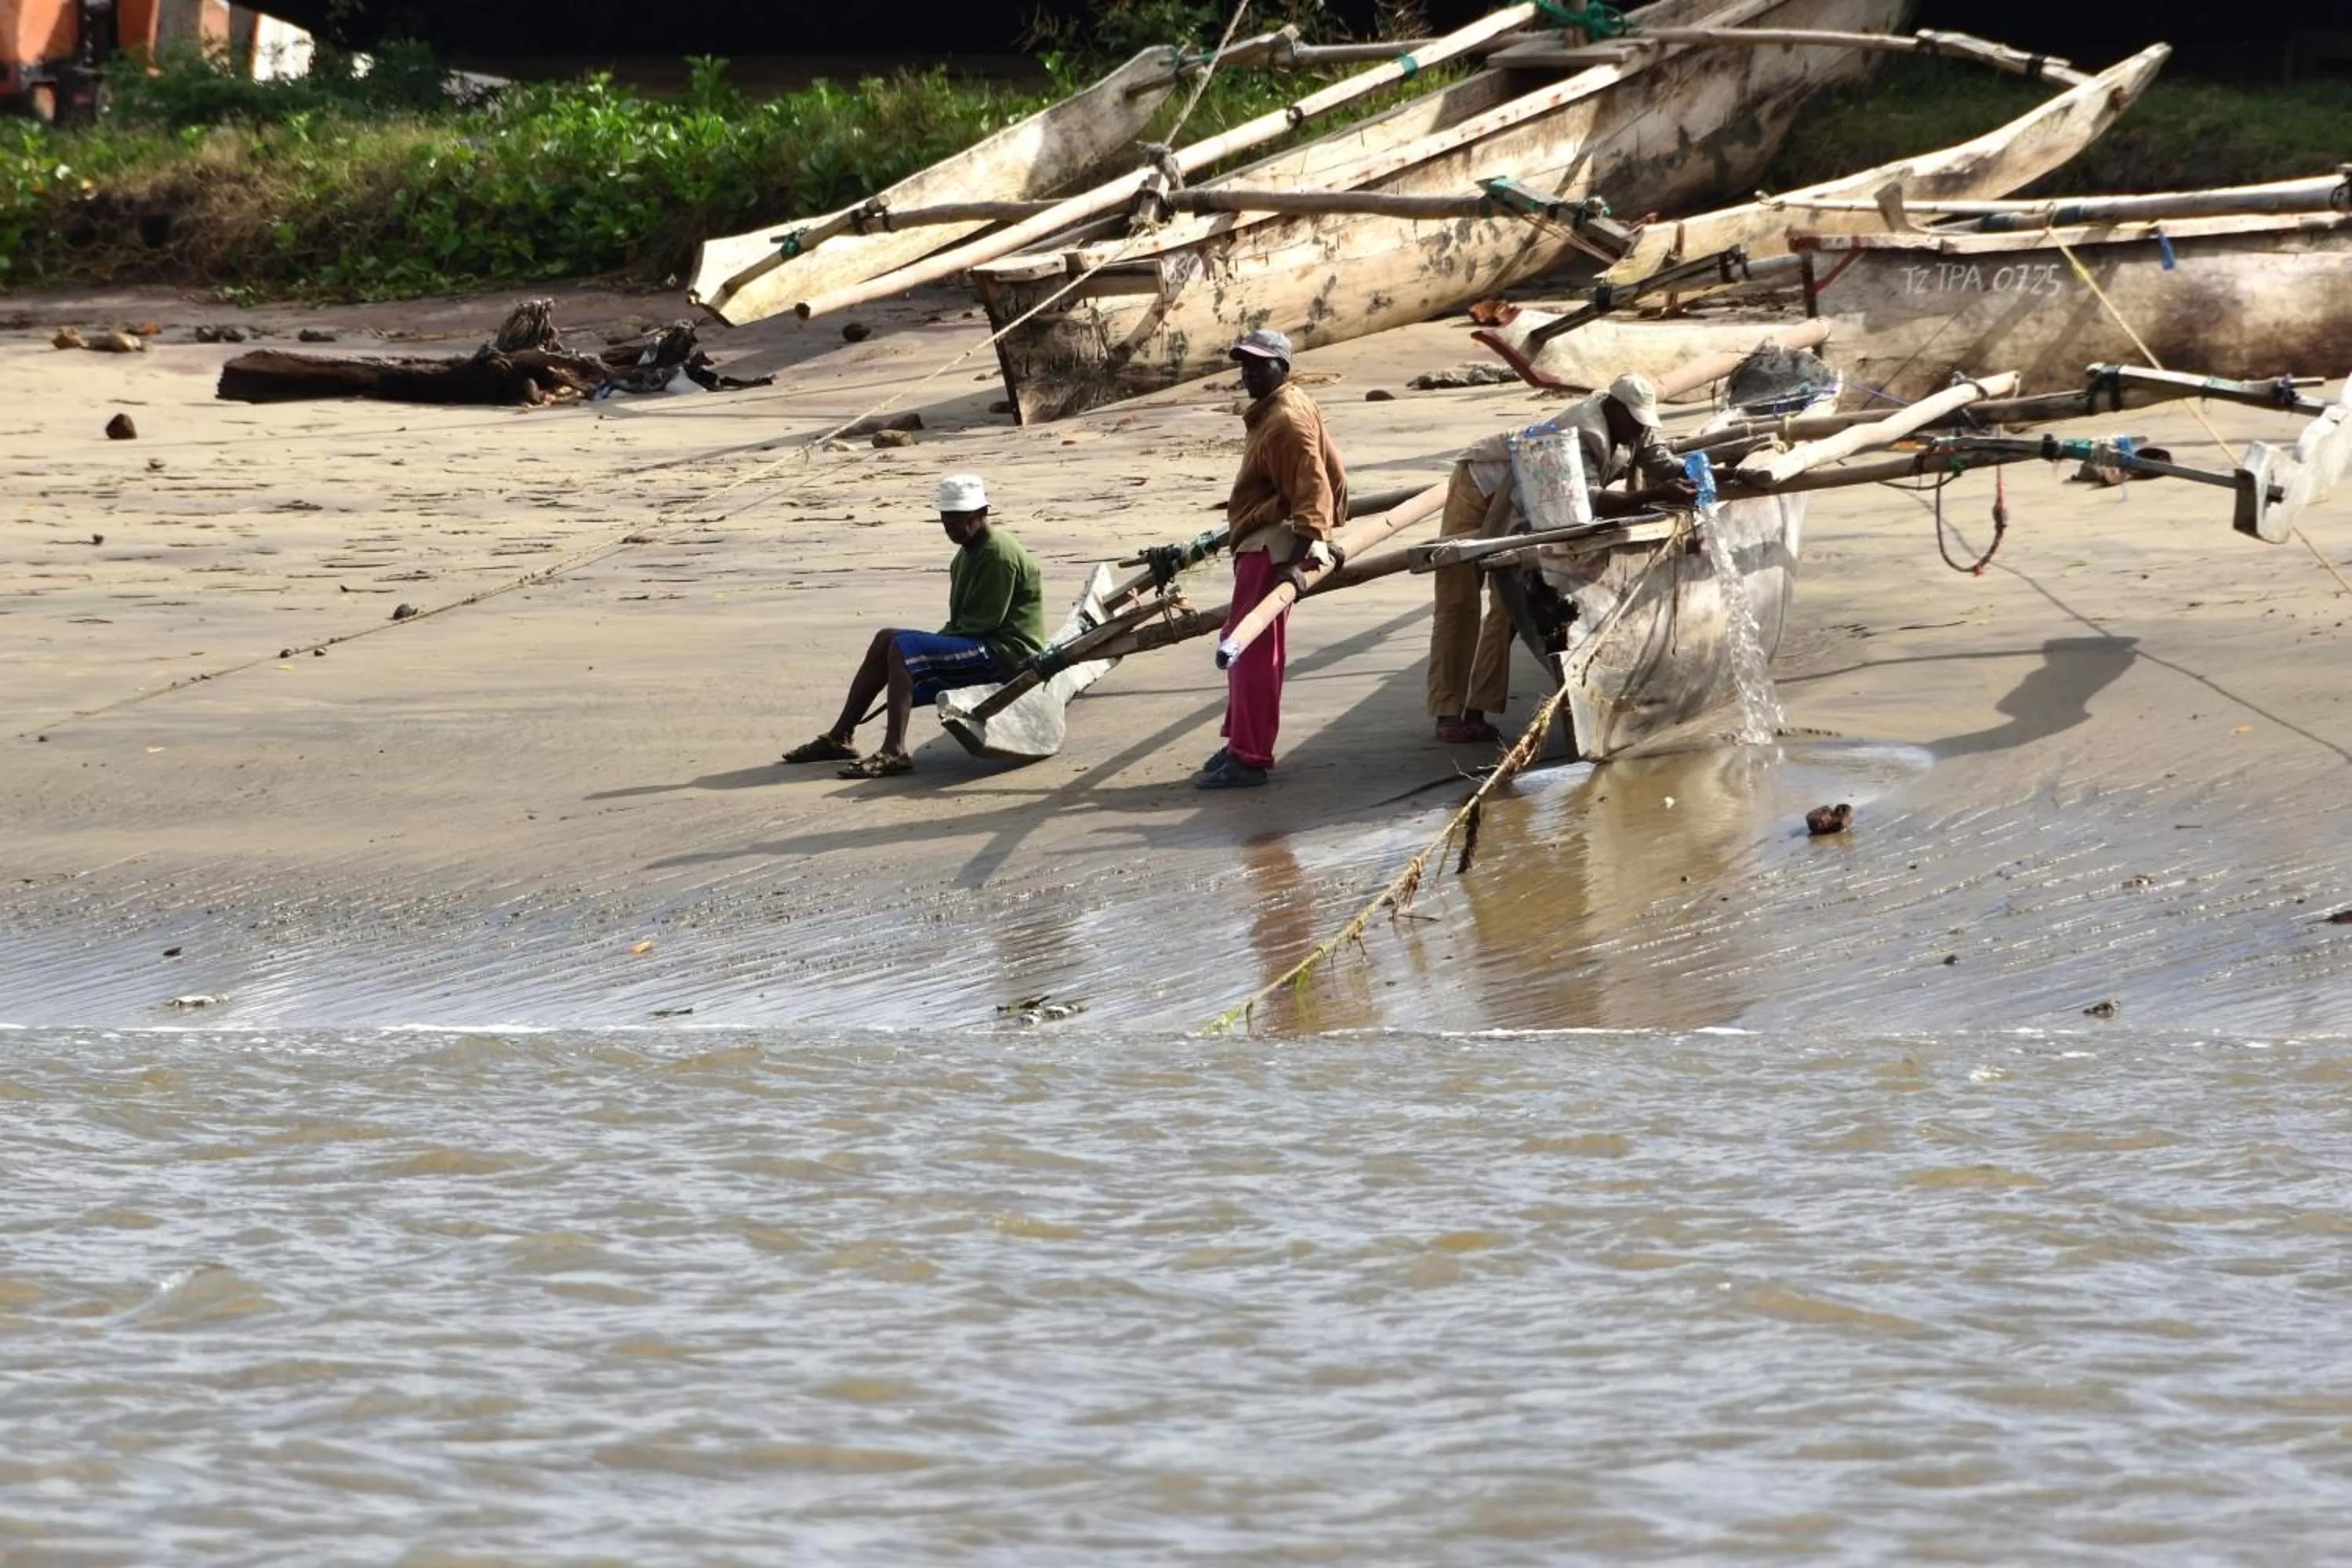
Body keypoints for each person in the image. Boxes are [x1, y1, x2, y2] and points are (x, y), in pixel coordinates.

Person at [1425, 371, 1693, 743]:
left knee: (1507, 606)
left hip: (1535, 497)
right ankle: (1448, 711)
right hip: (1484, 487)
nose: (1637, 430)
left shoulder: (1636, 426)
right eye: (1633, 422)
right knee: (1459, 597)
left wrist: (1700, 472)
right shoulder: (1580, 430)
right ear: (1613, 408)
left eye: (1642, 423)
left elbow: (1660, 460)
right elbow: (1586, 497)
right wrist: (1649, 496)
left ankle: (1478, 708)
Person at [780, 474, 1046, 779]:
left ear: (982, 514)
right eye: (946, 519)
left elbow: (982, 625)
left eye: (959, 518)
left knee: (905, 648)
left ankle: (894, 751)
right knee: (887, 639)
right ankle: (840, 736)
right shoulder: (966, 554)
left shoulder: (998, 555)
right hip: (982, 641)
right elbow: (964, 624)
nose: (951, 526)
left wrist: (919, 653)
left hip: (1009, 654)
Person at [1199, 328, 1349, 790]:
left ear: (1283, 368)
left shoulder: (1285, 419)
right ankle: (1241, 741)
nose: (1249, 374)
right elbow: (1331, 471)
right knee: (1245, 644)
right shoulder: (1289, 405)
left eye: (1260, 365)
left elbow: (1314, 487)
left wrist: (1302, 555)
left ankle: (1250, 756)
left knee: (1250, 650)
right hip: (1265, 537)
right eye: (1244, 365)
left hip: (1269, 546)